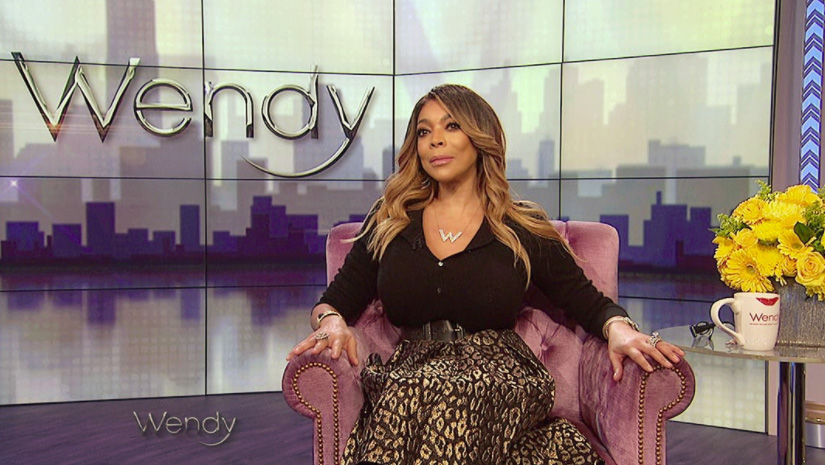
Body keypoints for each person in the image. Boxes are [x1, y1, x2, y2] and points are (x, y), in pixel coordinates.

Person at [287, 84, 684, 465]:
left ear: (480, 137)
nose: (435, 141)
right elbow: (335, 300)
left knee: (443, 398)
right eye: (424, 131)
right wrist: (331, 322)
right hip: (412, 374)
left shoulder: (519, 226)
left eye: (451, 126)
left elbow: (585, 299)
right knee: (420, 393)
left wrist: (619, 328)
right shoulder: (390, 220)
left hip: (497, 372)